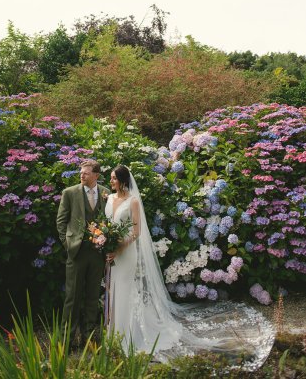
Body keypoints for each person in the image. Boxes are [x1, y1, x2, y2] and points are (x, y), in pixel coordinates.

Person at [105, 164, 275, 371]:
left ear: (123, 181)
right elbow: (106, 224)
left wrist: (120, 247)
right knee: (114, 289)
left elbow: (136, 231)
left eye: (114, 178)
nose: (111, 181)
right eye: (110, 178)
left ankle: (130, 333)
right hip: (110, 253)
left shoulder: (132, 202)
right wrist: (104, 241)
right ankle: (114, 332)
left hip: (126, 252)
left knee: (126, 289)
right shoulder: (109, 198)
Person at [56, 159, 110, 343]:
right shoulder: (69, 193)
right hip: (77, 252)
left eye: (86, 173)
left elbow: (109, 221)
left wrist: (106, 242)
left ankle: (88, 337)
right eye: (81, 172)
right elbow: (61, 221)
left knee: (93, 296)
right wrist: (67, 243)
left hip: (97, 253)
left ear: (96, 175)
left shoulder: (106, 193)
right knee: (72, 297)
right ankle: (67, 340)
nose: (81, 175)